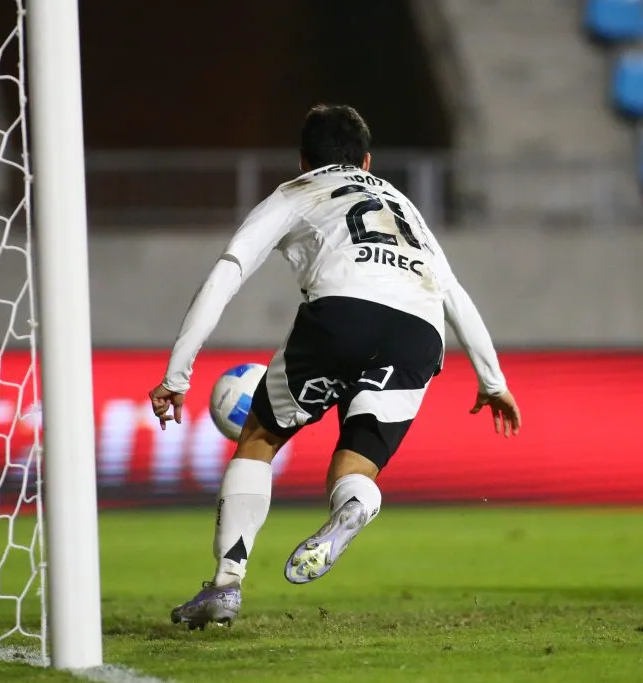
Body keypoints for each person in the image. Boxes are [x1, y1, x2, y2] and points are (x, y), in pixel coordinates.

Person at [148, 104, 522, 629]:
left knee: (259, 435)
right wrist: (493, 380)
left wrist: (177, 373)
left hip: (343, 313)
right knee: (355, 462)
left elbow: (227, 272)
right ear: (367, 161)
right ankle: (354, 508)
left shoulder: (296, 192)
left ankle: (226, 585)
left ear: (303, 160)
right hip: (419, 330)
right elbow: (452, 291)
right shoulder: (402, 204)